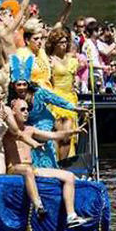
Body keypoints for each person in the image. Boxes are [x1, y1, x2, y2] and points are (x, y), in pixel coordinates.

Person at [4, 97, 90, 227]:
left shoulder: (30, 129)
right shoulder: (6, 131)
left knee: (69, 176)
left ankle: (71, 216)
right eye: (22, 109)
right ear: (13, 112)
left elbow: (53, 136)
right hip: (14, 168)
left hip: (32, 168)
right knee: (27, 170)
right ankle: (39, 206)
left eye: (27, 109)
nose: (26, 112)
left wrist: (72, 131)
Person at [46, 27, 80, 160]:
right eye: (61, 42)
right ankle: (56, 161)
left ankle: (67, 161)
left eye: (66, 42)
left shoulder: (71, 58)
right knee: (59, 132)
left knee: (69, 133)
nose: (64, 45)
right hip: (56, 98)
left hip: (70, 98)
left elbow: (73, 79)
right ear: (54, 44)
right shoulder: (50, 60)